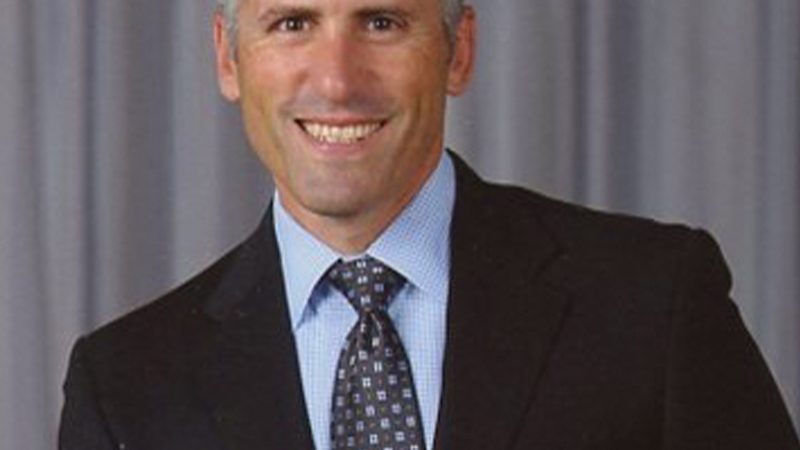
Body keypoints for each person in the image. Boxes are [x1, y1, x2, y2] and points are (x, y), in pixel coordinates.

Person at [59, 0, 799, 448]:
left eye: (381, 22)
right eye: (293, 23)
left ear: (458, 51)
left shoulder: (651, 305)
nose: (337, 79)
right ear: (228, 58)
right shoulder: (126, 388)